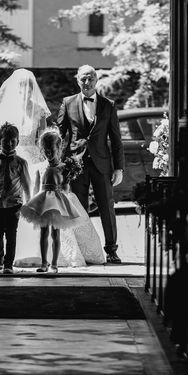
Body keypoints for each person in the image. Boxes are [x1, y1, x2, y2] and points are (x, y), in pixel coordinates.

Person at [0, 68, 105, 268]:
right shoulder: (8, 109)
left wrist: (51, 160)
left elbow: (43, 139)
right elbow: (0, 137)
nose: (25, 90)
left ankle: (41, 256)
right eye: (22, 86)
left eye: (28, 86)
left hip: (32, 160)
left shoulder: (39, 111)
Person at [57, 64, 124, 263]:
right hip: (75, 164)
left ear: (96, 80)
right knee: (79, 209)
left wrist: (119, 167)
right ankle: (85, 251)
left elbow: (116, 139)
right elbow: (59, 135)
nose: (87, 83)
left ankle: (111, 250)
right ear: (77, 80)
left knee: (107, 207)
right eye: (83, 79)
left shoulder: (108, 105)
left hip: (102, 164)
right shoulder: (67, 103)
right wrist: (56, 162)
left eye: (91, 78)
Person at [20, 130, 88, 273]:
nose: (48, 153)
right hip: (43, 201)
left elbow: (65, 188)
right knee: (43, 232)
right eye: (45, 151)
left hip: (57, 203)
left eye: (51, 150)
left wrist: (67, 180)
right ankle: (44, 263)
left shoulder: (64, 168)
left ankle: (54, 264)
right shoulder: (41, 168)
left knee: (55, 233)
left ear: (58, 148)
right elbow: (37, 187)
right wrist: (31, 204)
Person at [0, 122, 32, 274]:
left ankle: (8, 264)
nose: (9, 144)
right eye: (5, 141)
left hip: (14, 203)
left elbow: (26, 184)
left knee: (11, 234)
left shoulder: (21, 163)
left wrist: (28, 204)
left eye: (13, 141)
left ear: (18, 141)